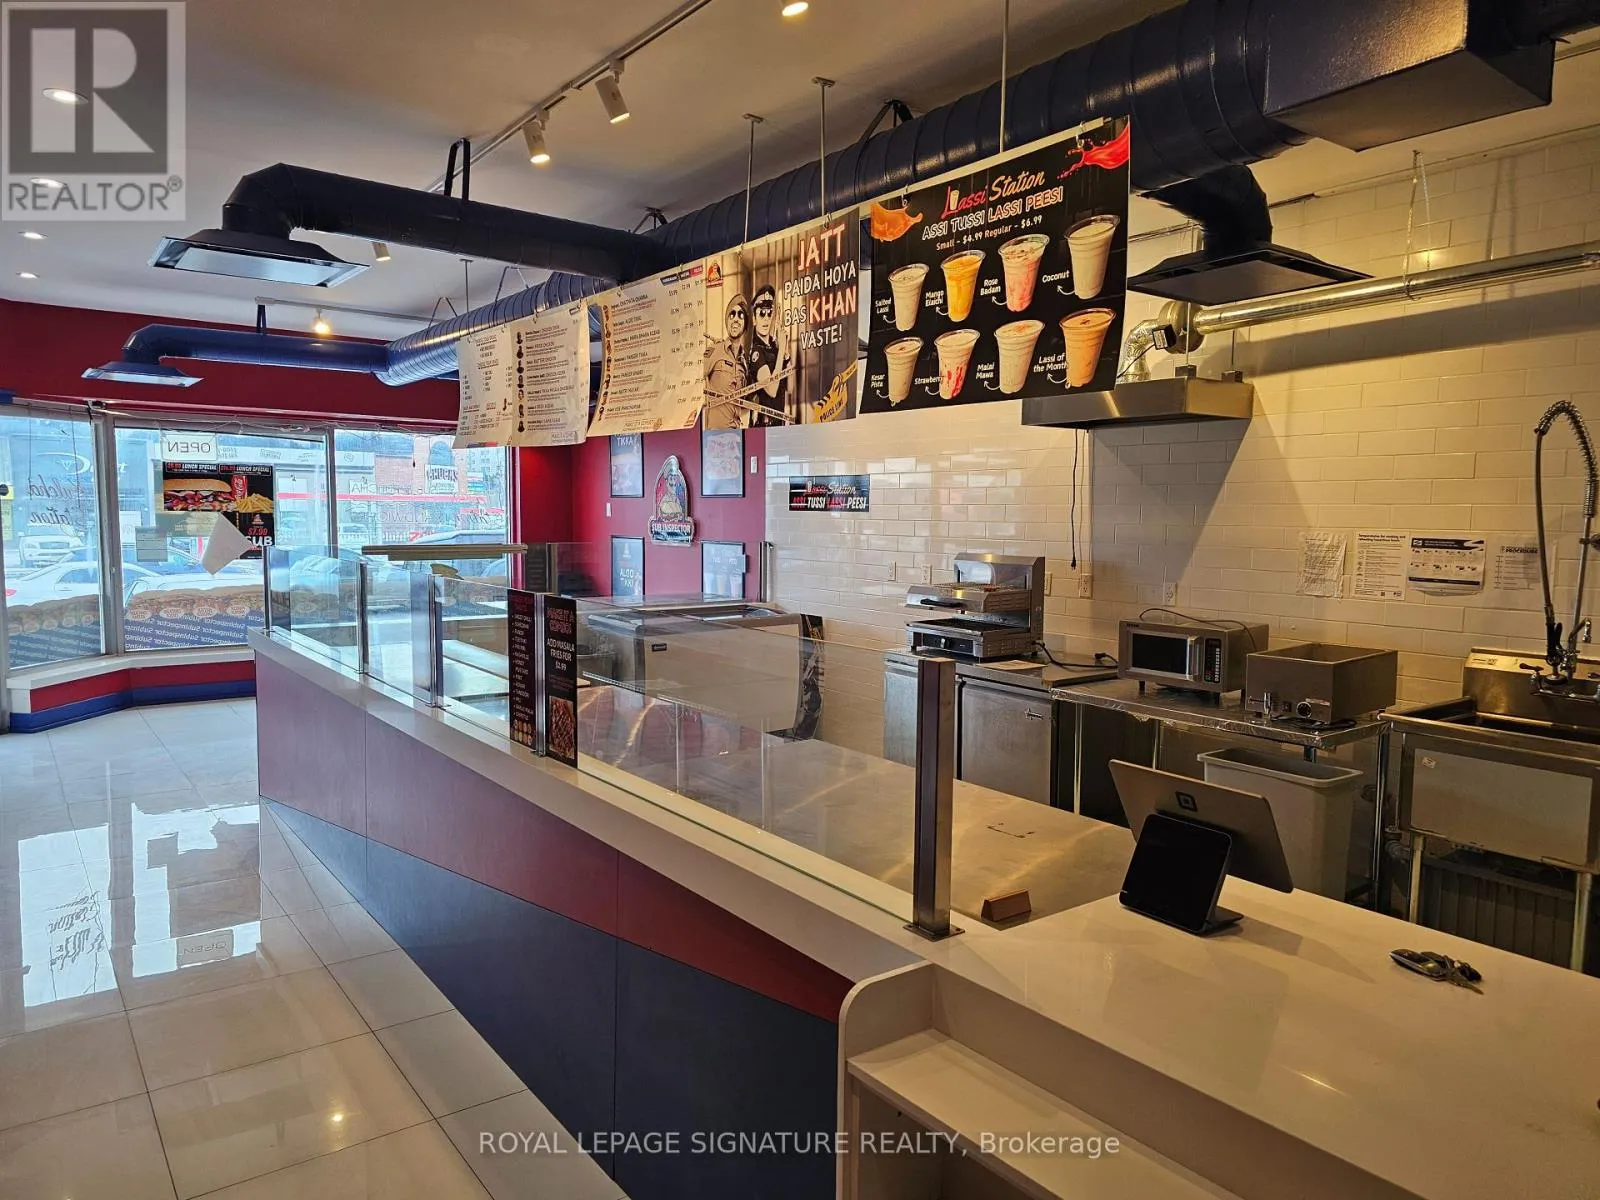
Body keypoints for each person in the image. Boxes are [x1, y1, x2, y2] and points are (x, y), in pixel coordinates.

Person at [703, 293, 750, 428]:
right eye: (732, 314)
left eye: (740, 315)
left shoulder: (744, 363)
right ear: (727, 321)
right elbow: (693, 382)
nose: (735, 319)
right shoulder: (715, 350)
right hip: (714, 434)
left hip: (736, 432)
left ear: (745, 325)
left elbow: (743, 403)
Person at [748, 284, 792, 426]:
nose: (766, 318)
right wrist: (781, 350)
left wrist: (786, 354)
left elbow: (790, 388)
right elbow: (771, 390)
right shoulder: (756, 352)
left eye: (769, 313)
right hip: (763, 426)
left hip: (778, 424)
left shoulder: (774, 347)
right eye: (762, 313)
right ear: (754, 319)